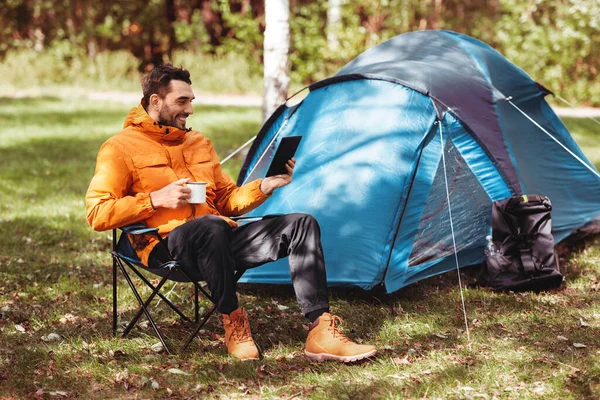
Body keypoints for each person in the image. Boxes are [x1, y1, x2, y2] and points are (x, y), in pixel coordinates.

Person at [85, 63, 377, 363]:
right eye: (181, 102)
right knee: (211, 226)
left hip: (220, 240)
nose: (190, 110)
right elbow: (97, 213)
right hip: (168, 248)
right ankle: (233, 319)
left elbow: (226, 200)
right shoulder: (119, 148)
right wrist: (154, 200)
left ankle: (320, 330)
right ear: (155, 102)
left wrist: (265, 186)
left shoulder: (199, 143)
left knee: (300, 223)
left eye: (191, 101)